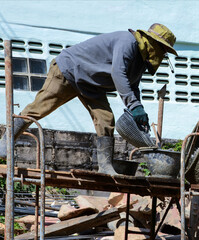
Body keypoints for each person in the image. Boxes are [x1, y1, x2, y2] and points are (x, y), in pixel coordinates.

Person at [0, 23, 178, 175]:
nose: (162, 54)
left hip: (92, 85)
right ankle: (5, 142)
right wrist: (133, 104)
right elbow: (118, 74)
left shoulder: (140, 59)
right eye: (162, 49)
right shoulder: (128, 42)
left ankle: (105, 166)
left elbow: (133, 86)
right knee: (38, 109)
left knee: (106, 119)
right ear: (152, 42)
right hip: (69, 70)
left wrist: (138, 109)